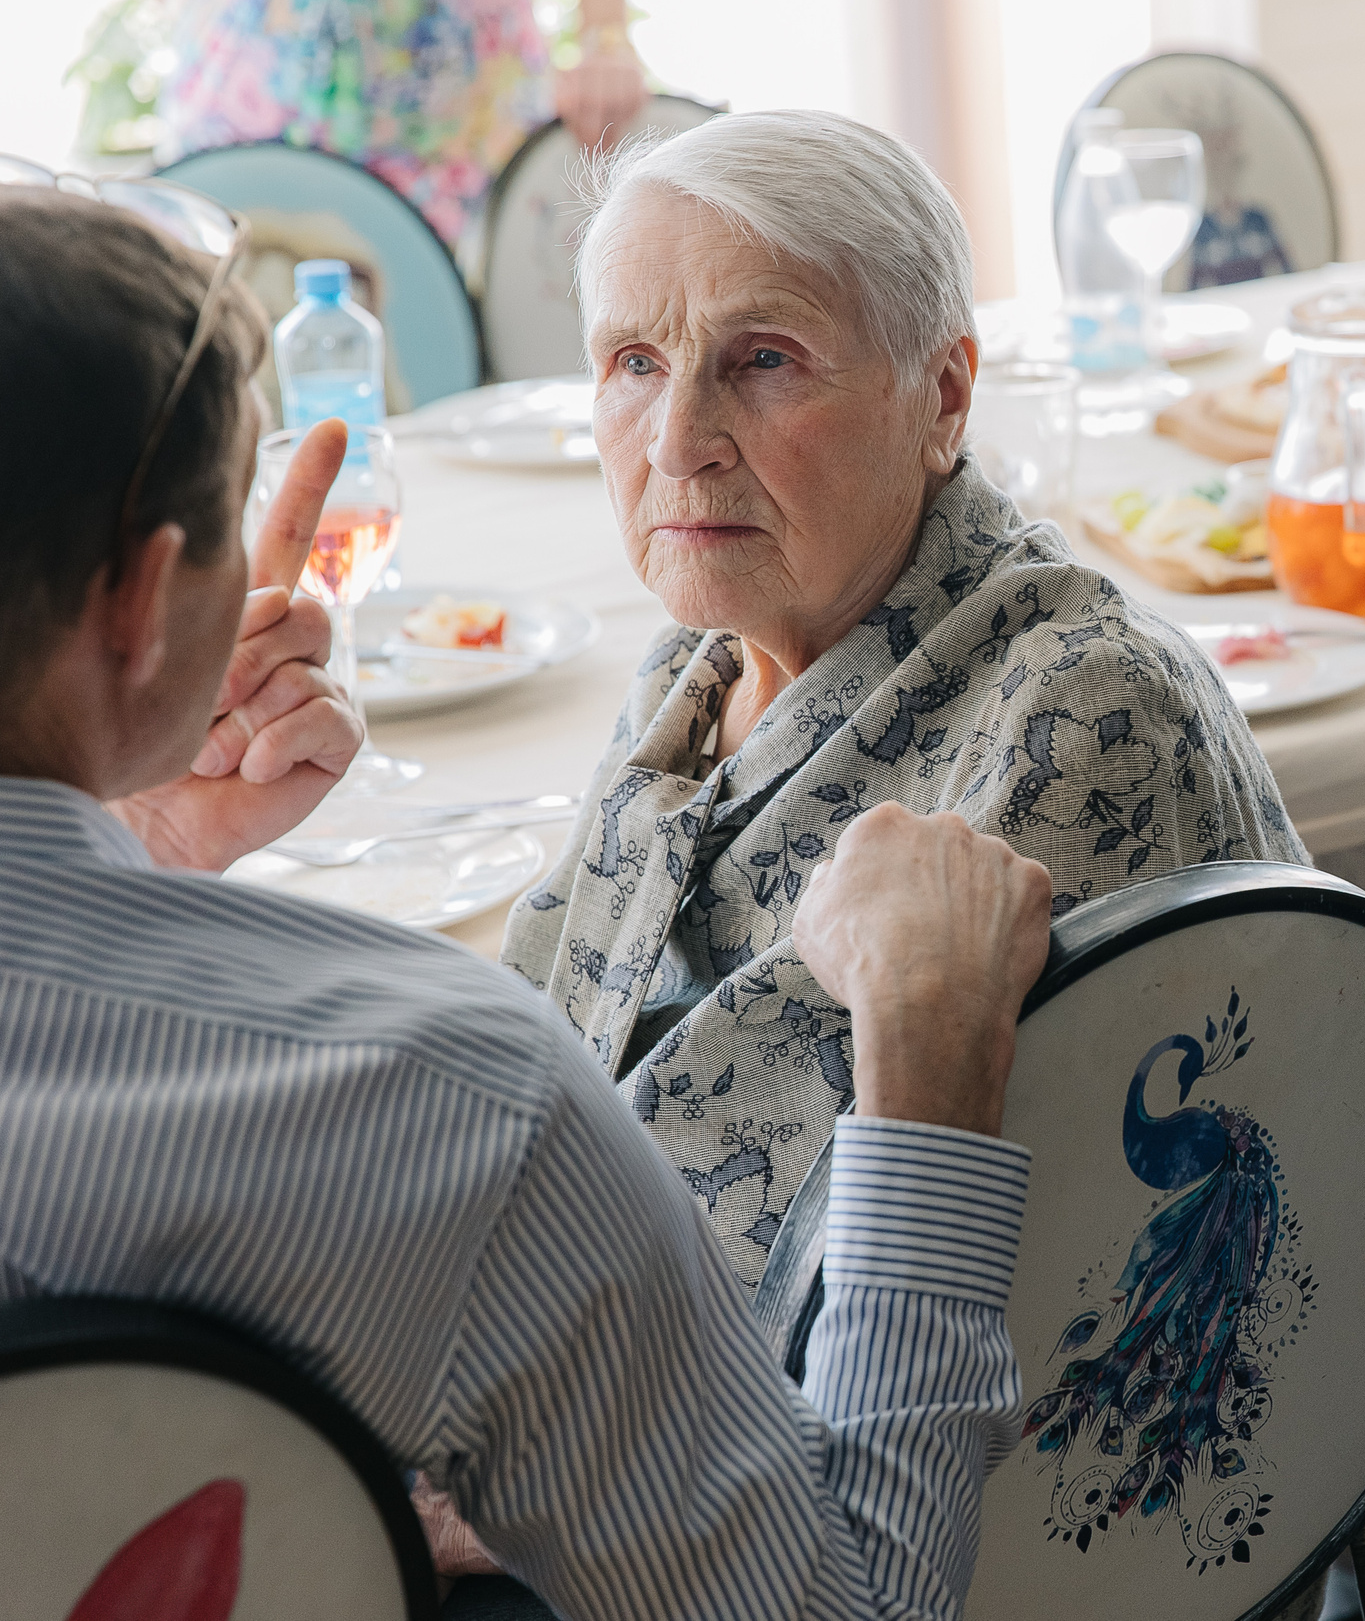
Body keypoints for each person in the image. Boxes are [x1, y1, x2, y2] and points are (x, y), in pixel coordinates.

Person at [0, 181, 1054, 1620]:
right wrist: (923, 1085)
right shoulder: (455, 1101)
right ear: (140, 598)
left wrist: (135, 847)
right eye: (237, 518)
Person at [500, 109, 1305, 1288]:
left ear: (942, 398)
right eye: (634, 363)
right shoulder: (699, 662)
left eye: (764, 359)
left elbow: (882, 1285)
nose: (676, 444)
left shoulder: (1079, 717)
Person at [71, 0, 650, 243]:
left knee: (447, 339)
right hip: (250, 82)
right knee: (242, 347)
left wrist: (605, 31)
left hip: (456, 96)